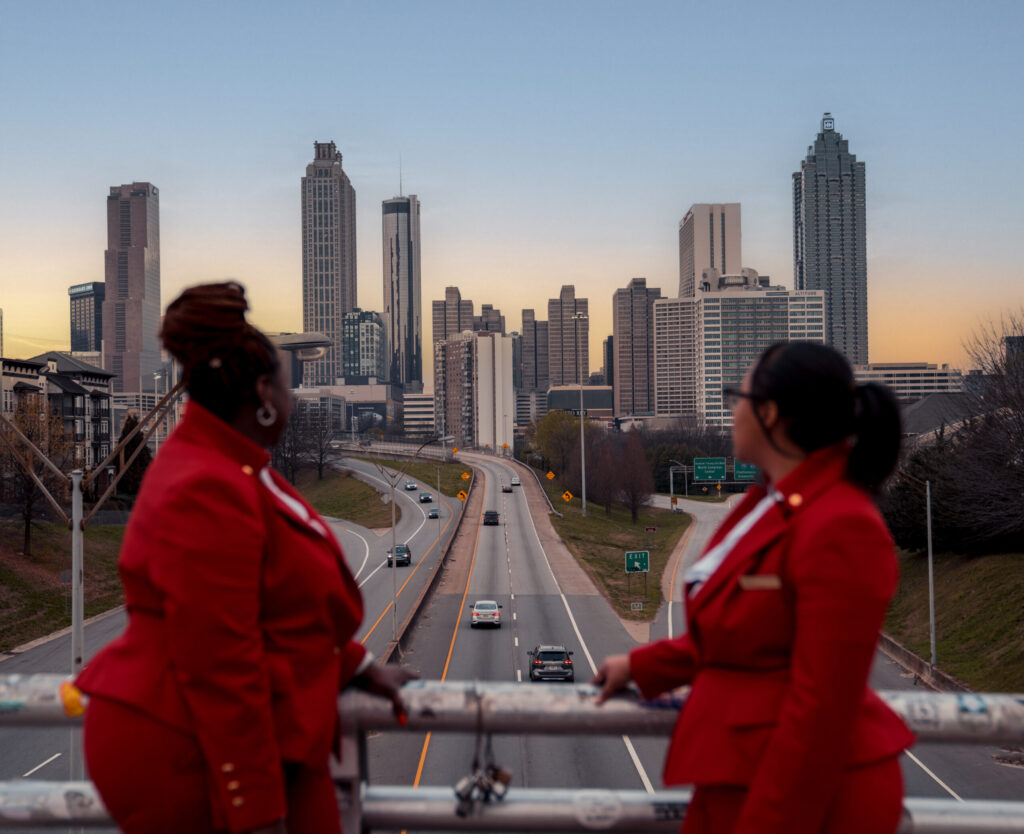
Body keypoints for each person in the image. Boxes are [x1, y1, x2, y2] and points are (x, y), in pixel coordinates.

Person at [76, 282, 414, 834]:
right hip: (183, 754)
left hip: (239, 742)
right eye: (288, 386)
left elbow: (274, 607)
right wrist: (256, 811)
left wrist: (356, 665)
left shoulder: (234, 466)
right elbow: (219, 660)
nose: (292, 399)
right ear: (263, 393)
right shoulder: (203, 484)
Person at [593, 341, 915, 834]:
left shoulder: (843, 525)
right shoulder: (763, 505)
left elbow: (820, 713)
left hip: (804, 799)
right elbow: (743, 636)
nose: (732, 412)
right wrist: (643, 665)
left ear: (769, 414)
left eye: (735, 398)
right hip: (737, 776)